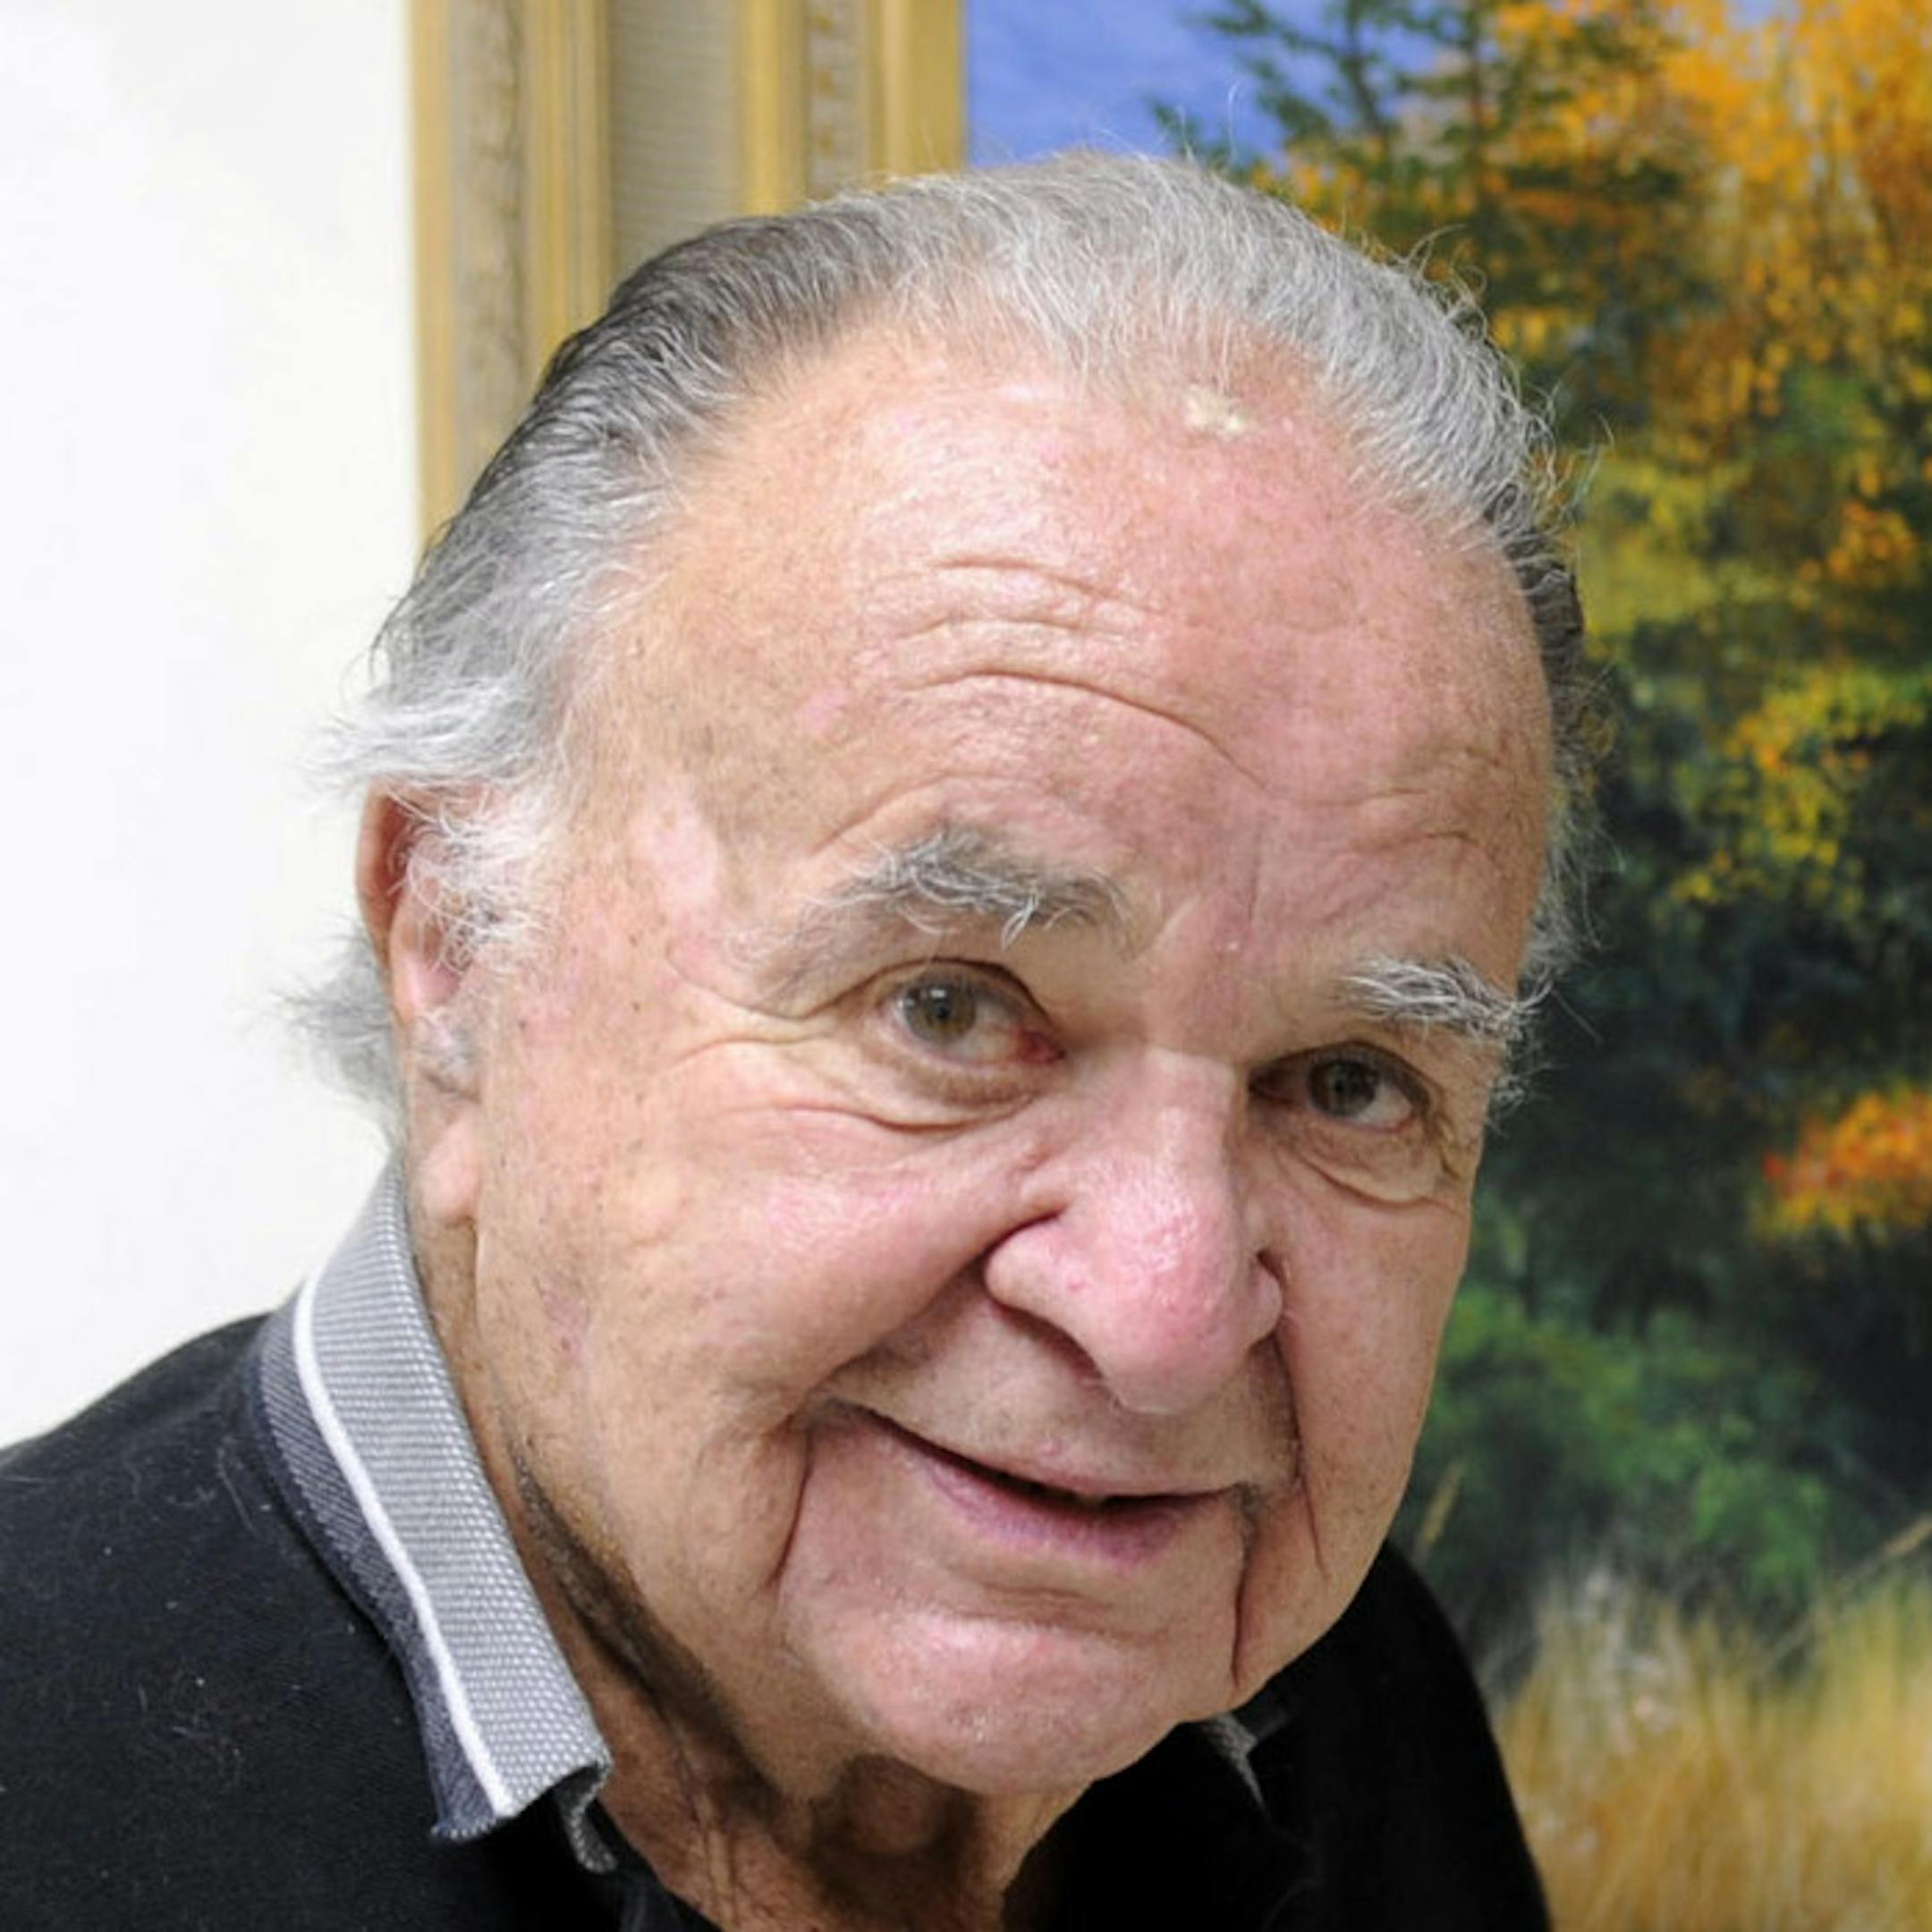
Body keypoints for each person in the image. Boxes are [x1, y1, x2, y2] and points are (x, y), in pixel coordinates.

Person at [0, 155, 1580, 1928]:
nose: (1162, 1316)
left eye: (1350, 1082)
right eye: (953, 1011)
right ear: (456, 947)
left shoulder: (1346, 1715)